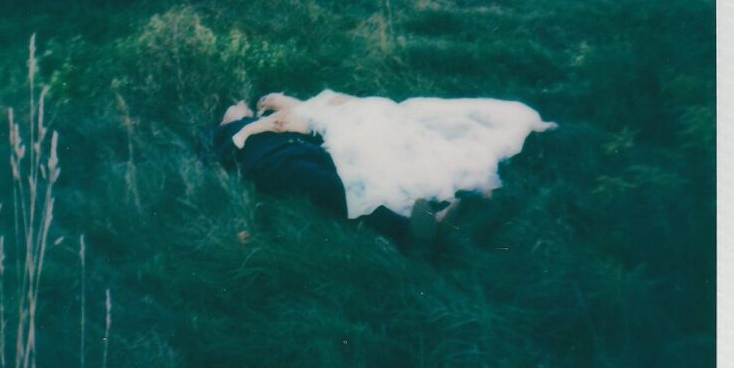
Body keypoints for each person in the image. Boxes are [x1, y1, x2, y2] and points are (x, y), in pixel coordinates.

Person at [231, 89, 556, 221]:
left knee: (390, 143)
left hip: (356, 117)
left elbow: (343, 103)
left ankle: (450, 188)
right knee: (389, 147)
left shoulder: (307, 107)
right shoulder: (294, 117)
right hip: (352, 120)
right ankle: (455, 186)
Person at [204, 100, 419, 249]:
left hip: (308, 149)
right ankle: (408, 234)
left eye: (245, 107)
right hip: (278, 162)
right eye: (236, 105)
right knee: (335, 187)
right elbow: (213, 161)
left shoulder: (264, 118)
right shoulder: (219, 134)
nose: (242, 106)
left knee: (361, 177)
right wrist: (249, 130)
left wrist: (299, 127)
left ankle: (421, 213)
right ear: (224, 117)